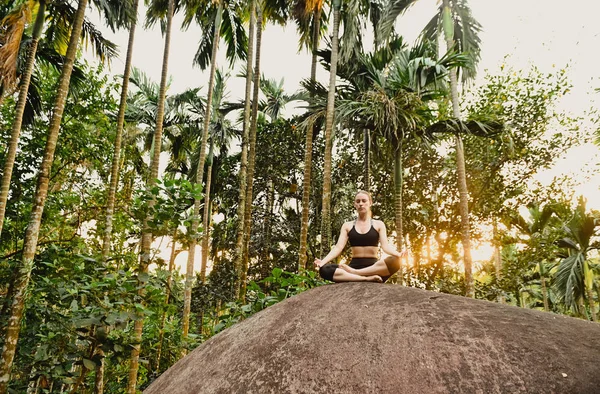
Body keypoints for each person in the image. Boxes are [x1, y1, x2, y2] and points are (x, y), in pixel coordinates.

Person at [314, 190, 407, 283]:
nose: (361, 204)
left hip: (374, 268)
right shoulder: (347, 226)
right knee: (325, 269)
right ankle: (365, 278)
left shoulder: (379, 224)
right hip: (354, 265)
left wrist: (399, 254)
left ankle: (357, 273)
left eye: (364, 201)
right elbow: (338, 247)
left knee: (396, 261)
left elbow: (385, 247)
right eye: (358, 201)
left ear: (370, 203)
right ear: (354, 204)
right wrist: (322, 262)